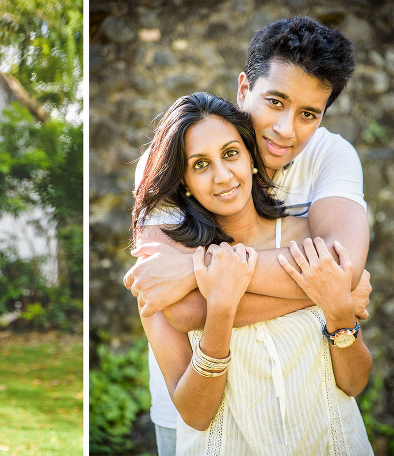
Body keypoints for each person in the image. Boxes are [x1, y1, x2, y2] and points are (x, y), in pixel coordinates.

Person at [123, 17, 371, 455]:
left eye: (308, 114)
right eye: (275, 101)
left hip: (312, 420)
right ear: (244, 89)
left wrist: (196, 271)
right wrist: (332, 293)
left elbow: (342, 268)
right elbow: (178, 309)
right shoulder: (169, 158)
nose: (285, 130)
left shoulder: (332, 157)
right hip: (200, 410)